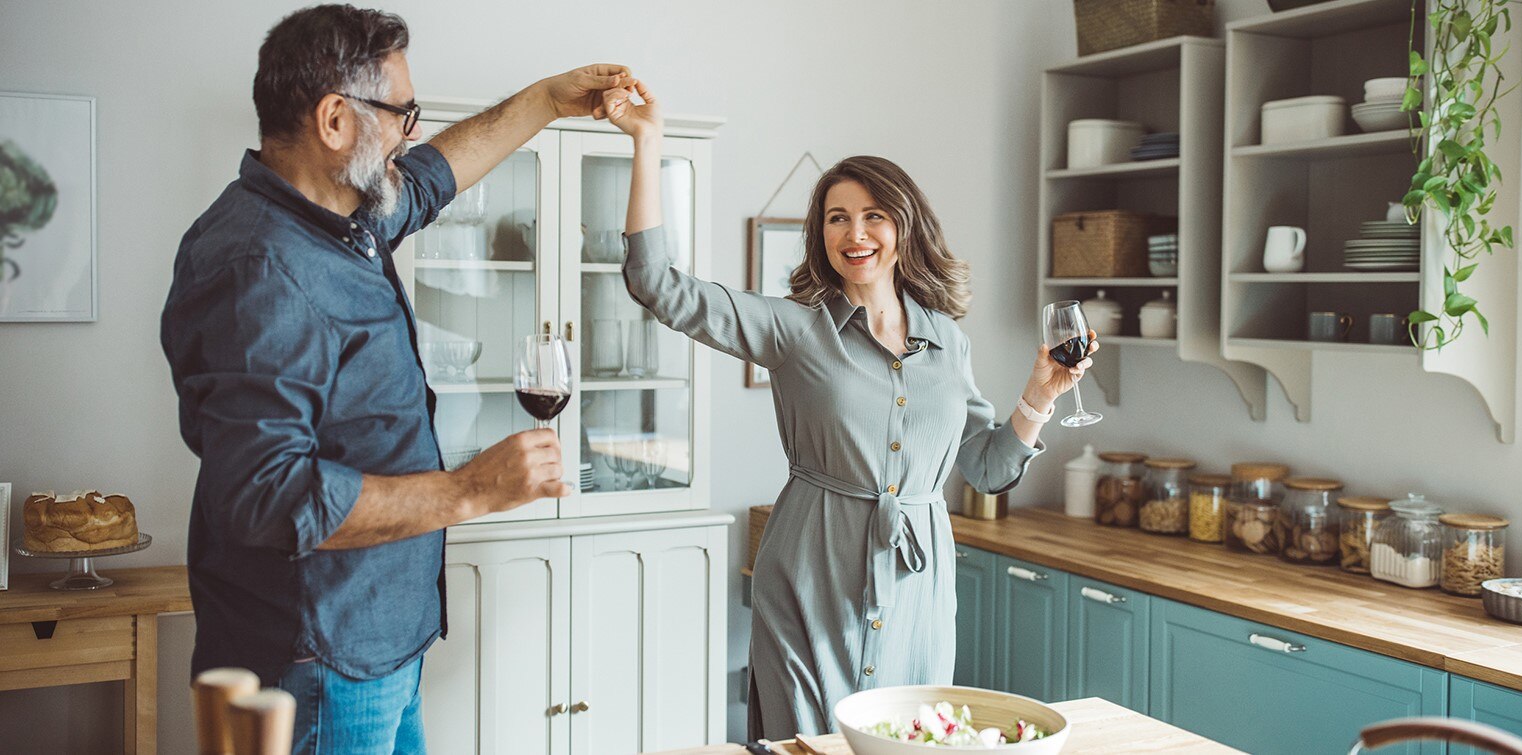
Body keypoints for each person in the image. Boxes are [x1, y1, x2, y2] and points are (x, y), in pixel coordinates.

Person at [160, 5, 632, 751]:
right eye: (401, 112)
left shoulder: (342, 211)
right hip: (315, 664)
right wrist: (471, 489)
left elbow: (432, 176)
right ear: (335, 120)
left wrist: (545, 98)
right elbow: (265, 495)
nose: (411, 130)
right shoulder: (259, 267)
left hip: (376, 643)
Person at [601, 83, 1098, 738]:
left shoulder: (949, 340)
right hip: (809, 579)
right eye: (837, 217)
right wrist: (647, 141)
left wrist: (1039, 395)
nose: (855, 232)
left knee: (910, 743)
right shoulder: (793, 330)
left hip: (917, 593)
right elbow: (656, 283)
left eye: (873, 216)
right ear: (821, 234)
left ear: (902, 226)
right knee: (806, 743)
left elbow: (984, 468)